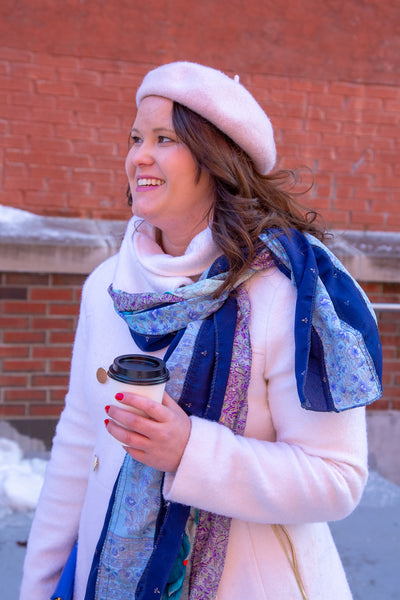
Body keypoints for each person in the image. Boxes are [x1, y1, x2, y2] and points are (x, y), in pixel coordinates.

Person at [20, 62, 382, 600]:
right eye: (136, 137)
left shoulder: (287, 290)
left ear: (216, 159)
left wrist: (191, 451)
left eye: (164, 139)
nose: (139, 155)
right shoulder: (106, 288)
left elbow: (336, 479)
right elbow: (77, 448)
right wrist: (40, 588)